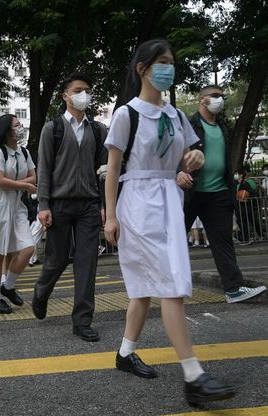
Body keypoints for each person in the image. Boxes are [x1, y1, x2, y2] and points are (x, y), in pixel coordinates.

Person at [103, 39, 235, 405]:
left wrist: (191, 159)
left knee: (145, 288)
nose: (168, 68)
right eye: (161, 62)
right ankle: (193, 375)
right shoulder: (126, 114)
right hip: (137, 203)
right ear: (142, 68)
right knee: (171, 283)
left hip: (168, 201)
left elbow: (187, 156)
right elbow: (114, 169)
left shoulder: (176, 115)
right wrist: (111, 216)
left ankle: (125, 354)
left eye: (171, 62)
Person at [33, 72, 107, 342]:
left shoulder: (98, 130)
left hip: (88, 205)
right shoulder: (53, 129)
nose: (83, 95)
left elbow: (103, 172)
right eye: (78, 90)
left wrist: (104, 205)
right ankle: (42, 291)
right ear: (65, 96)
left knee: (87, 263)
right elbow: (44, 168)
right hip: (59, 204)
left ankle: (82, 321)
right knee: (57, 259)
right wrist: (43, 204)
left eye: (87, 90)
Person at [178, 85, 266, 302]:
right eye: (215, 96)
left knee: (223, 242)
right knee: (175, 241)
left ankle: (234, 289)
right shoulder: (189, 125)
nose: (220, 100)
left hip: (218, 194)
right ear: (202, 100)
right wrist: (177, 173)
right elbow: (172, 153)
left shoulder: (223, 127)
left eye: (222, 97)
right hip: (190, 193)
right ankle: (162, 286)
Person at [0, 114, 36, 314]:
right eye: (16, 125)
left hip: (16, 204)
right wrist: (25, 185)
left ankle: (8, 286)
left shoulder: (24, 152)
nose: (20, 127)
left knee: (28, 248)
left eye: (20, 124)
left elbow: (33, 176)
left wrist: (24, 185)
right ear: (6, 130)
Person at [233, 168, 263, 244]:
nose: (235, 175)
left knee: (250, 221)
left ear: (241, 175)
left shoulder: (245, 184)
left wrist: (247, 199)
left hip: (246, 207)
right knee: (242, 221)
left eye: (237, 174)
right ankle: (248, 237)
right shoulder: (235, 184)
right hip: (239, 207)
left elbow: (253, 193)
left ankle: (250, 237)